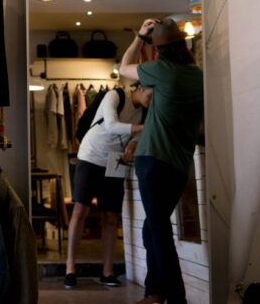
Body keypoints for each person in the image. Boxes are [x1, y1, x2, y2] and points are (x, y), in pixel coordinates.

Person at [120, 18, 204, 304]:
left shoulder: (159, 70)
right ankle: (154, 293)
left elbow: (123, 68)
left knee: (158, 231)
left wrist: (139, 37)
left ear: (159, 50)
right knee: (152, 228)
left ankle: (176, 298)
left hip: (152, 160)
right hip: (179, 165)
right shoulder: (199, 76)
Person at [64, 82, 152, 290]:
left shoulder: (145, 111)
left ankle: (107, 271)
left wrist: (133, 142)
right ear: (139, 87)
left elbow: (137, 136)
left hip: (116, 159)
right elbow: (111, 125)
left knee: (111, 215)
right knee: (80, 209)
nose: (152, 97)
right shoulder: (114, 95)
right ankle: (70, 268)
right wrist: (141, 128)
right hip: (91, 154)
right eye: (151, 92)